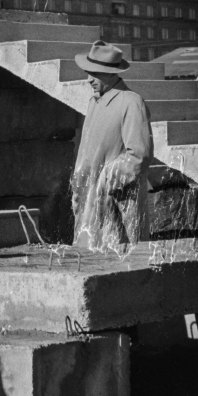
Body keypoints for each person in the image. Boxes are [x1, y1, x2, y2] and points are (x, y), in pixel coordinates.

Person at [69, 41, 153, 251]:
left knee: (119, 267)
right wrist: (80, 180)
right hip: (88, 204)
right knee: (88, 261)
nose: (89, 79)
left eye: (96, 74)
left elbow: (139, 155)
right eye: (89, 72)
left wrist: (106, 180)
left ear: (113, 74)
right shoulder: (94, 101)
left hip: (116, 205)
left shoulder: (131, 102)